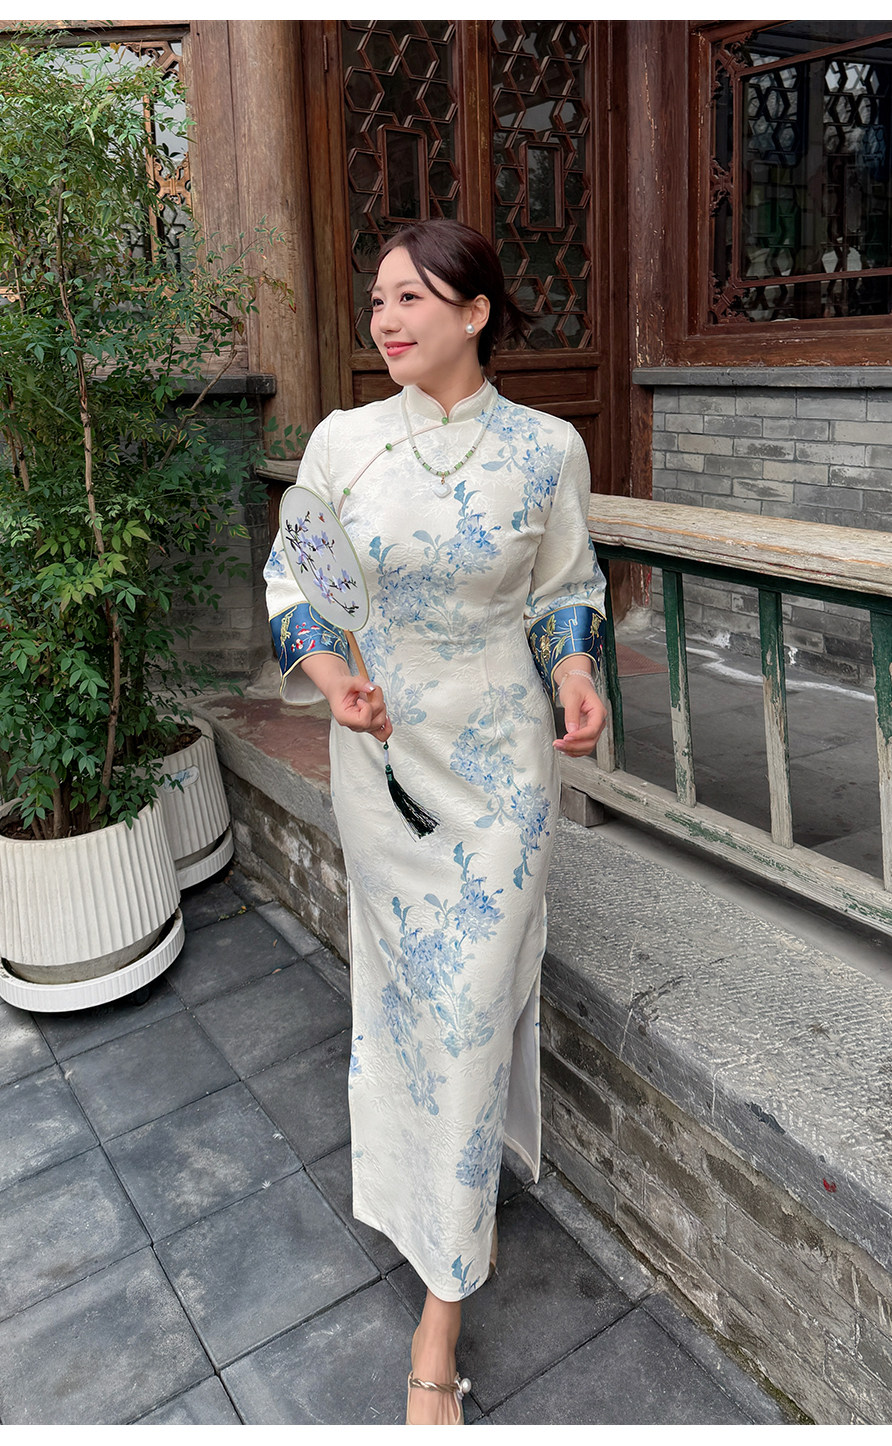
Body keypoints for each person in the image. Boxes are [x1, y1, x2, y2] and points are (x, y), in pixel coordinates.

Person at [264, 218, 607, 1425]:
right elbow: (295, 582)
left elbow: (566, 586)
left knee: (470, 1008)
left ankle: (441, 1310)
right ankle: (431, 1204)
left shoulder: (547, 448)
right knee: (409, 1006)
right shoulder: (343, 442)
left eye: (411, 297)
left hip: (501, 774)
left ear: (475, 312)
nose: (385, 319)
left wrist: (577, 671)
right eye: (377, 299)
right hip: (382, 763)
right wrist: (329, 680)